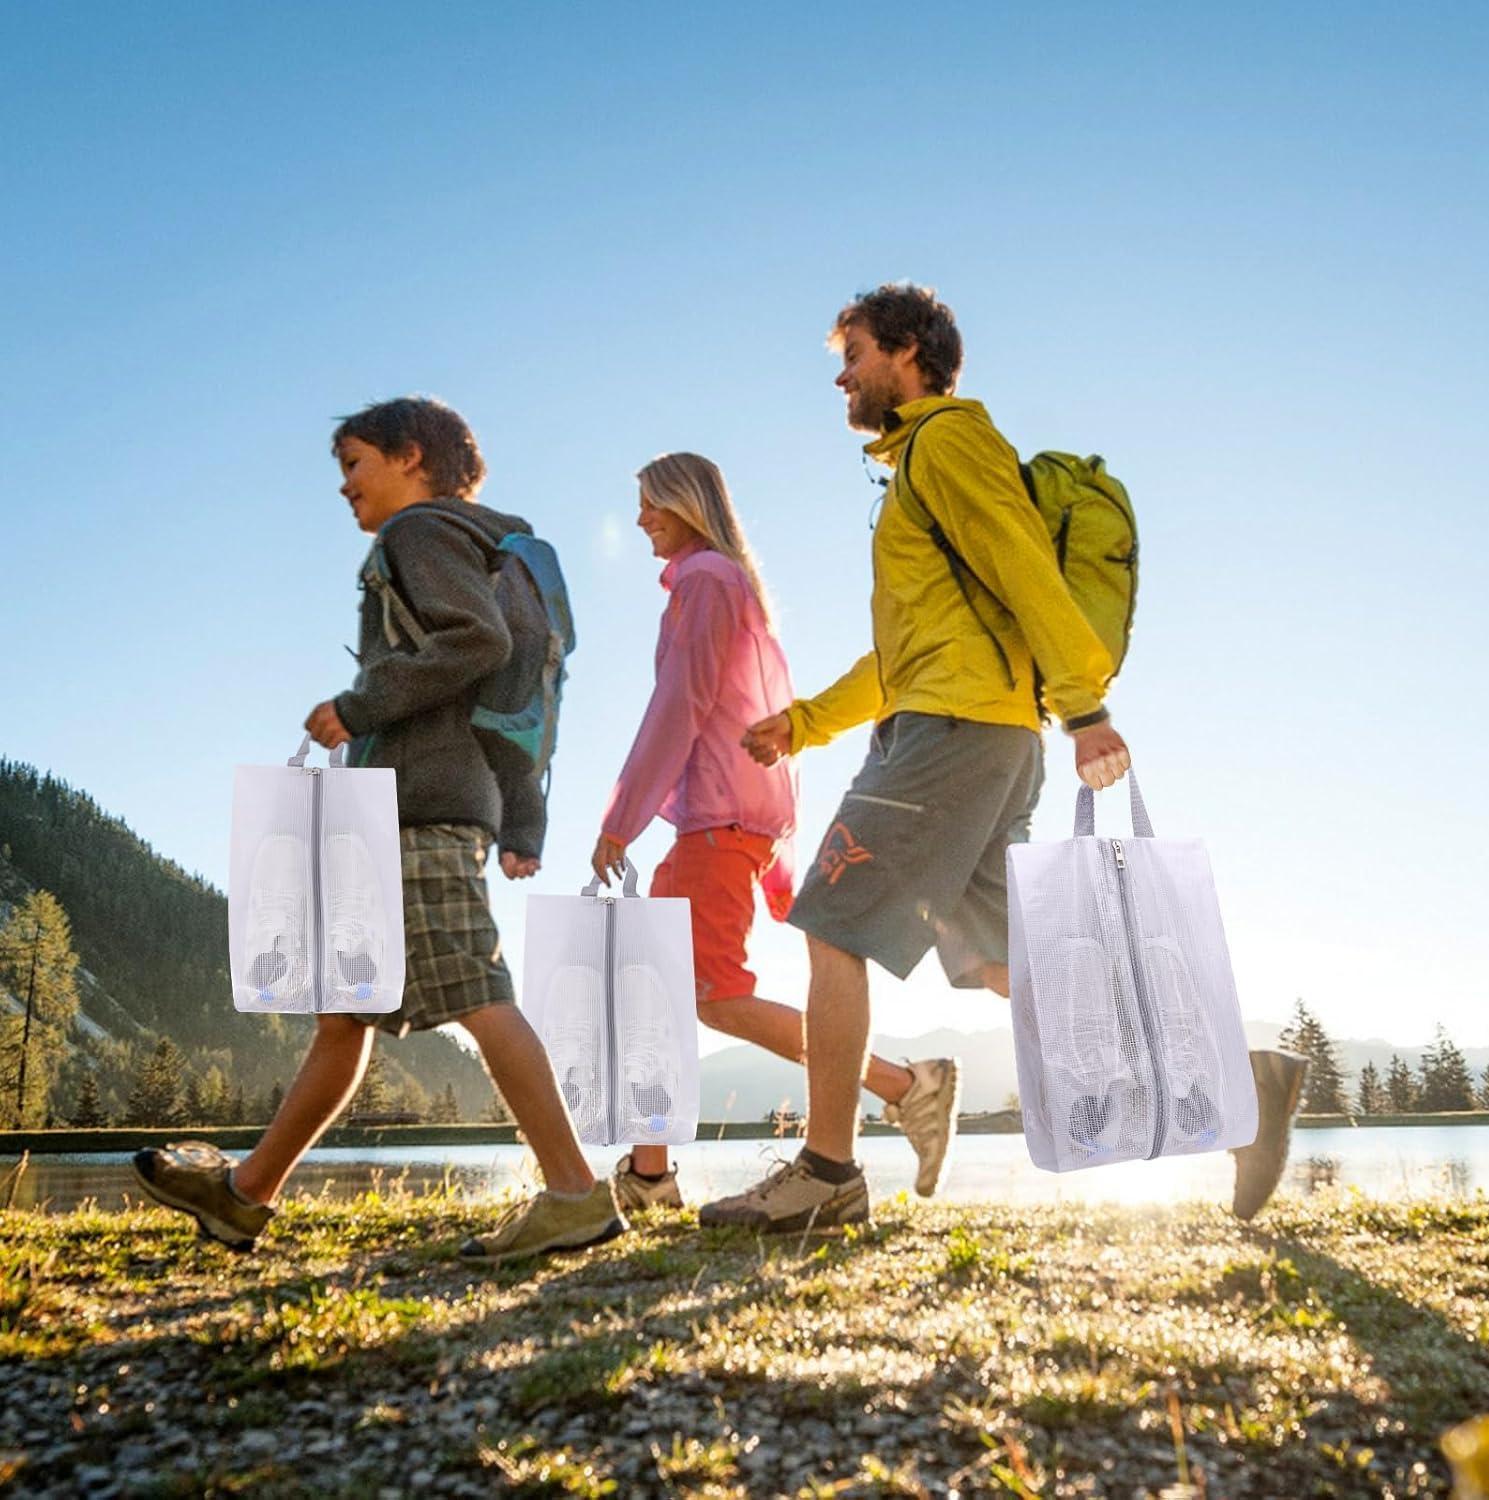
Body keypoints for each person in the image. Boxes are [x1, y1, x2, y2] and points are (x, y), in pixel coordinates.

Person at [703, 284, 1306, 1232]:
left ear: (907, 351)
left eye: (854, 354)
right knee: (1000, 960)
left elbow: (1024, 563)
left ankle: (827, 1173)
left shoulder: (946, 443)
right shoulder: (920, 462)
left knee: (830, 924)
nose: (842, 376)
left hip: (952, 737)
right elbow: (907, 655)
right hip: (973, 733)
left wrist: (1087, 710)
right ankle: (1239, 1083)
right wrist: (806, 723)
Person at [133, 396, 628, 1262]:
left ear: (410, 457)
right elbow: (518, 688)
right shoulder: (486, 543)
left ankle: (575, 1193)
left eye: (354, 463)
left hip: (417, 804)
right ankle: (246, 1196)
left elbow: (475, 643)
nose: (344, 486)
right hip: (428, 800)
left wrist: (357, 705)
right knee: (343, 1014)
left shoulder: (418, 532)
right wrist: (522, 819)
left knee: (476, 990)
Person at [590, 454, 962, 1214]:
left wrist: (621, 817)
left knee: (714, 996)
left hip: (717, 827)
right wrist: (779, 863)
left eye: (652, 502)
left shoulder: (706, 581)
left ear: (689, 504)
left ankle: (904, 1085)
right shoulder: (734, 588)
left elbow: (682, 703)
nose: (640, 519)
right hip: (726, 827)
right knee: (660, 986)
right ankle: (650, 1175)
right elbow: (759, 722)